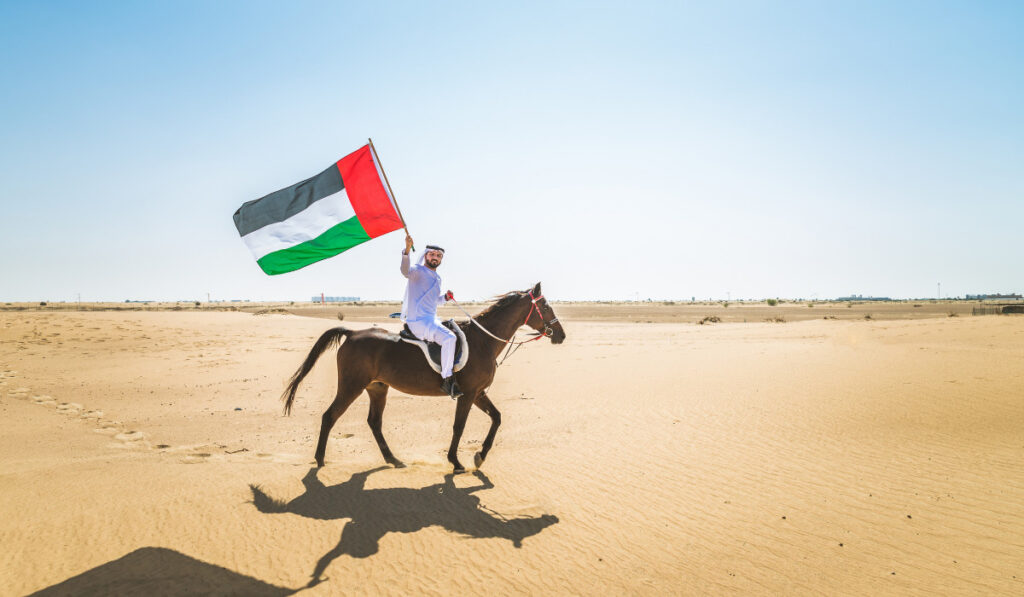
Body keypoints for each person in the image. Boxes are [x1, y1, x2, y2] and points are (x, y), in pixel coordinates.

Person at [400, 234, 462, 399]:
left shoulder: (438, 278)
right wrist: (407, 249)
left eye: (438, 256)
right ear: (426, 255)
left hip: (431, 318)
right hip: (418, 322)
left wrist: (446, 298)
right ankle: (447, 379)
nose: (435, 257)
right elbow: (404, 271)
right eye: (432, 254)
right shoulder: (417, 271)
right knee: (449, 338)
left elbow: (434, 301)